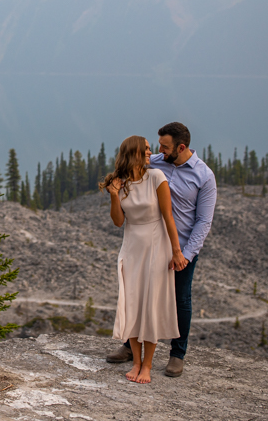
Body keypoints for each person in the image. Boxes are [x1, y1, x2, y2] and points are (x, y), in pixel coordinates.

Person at [106, 122, 217, 378]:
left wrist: (185, 254)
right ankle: (130, 348)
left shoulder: (204, 176)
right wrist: (115, 185)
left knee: (181, 299)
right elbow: (131, 163)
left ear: (181, 147)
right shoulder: (156, 161)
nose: (157, 151)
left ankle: (177, 355)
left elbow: (204, 221)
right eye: (156, 146)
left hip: (182, 245)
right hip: (148, 242)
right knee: (142, 294)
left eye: (164, 147)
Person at [100, 135, 187, 384]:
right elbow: (118, 221)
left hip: (155, 245)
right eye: (146, 149)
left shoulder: (157, 178)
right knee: (134, 304)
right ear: (134, 152)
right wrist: (115, 195)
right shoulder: (120, 182)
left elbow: (168, 217)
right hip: (132, 247)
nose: (151, 152)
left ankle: (147, 365)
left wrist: (176, 251)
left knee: (150, 305)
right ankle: (136, 362)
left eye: (150, 149)